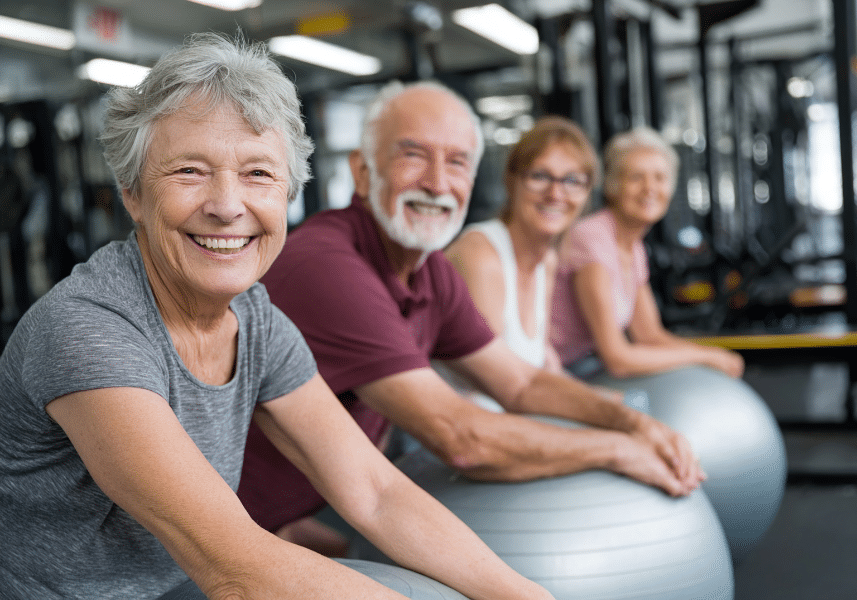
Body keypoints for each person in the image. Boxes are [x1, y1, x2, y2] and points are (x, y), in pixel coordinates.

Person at [0, 34, 552, 600]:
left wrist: (522, 594)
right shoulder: (88, 330)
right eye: (190, 170)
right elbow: (239, 569)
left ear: (288, 194)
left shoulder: (256, 323)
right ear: (133, 194)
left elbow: (374, 489)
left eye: (258, 174)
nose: (227, 205)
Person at [238, 82, 706, 552]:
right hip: (199, 555)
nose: (438, 183)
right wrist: (616, 450)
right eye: (414, 155)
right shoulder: (328, 266)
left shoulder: (430, 270)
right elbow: (460, 437)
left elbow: (519, 383)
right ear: (362, 172)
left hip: (274, 523)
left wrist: (630, 422)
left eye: (457, 162)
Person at [550, 126, 745, 379]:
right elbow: (617, 359)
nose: (649, 188)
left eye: (660, 178)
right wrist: (705, 356)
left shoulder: (634, 247)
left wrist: (714, 355)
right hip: (551, 372)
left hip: (581, 368)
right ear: (612, 186)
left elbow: (649, 335)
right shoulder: (591, 239)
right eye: (636, 178)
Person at [442, 116, 598, 412]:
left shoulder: (547, 261)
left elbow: (545, 363)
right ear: (512, 181)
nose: (555, 193)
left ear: (586, 194)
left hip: (506, 425)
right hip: (439, 444)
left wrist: (613, 404)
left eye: (572, 180)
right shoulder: (481, 254)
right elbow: (500, 384)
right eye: (540, 176)